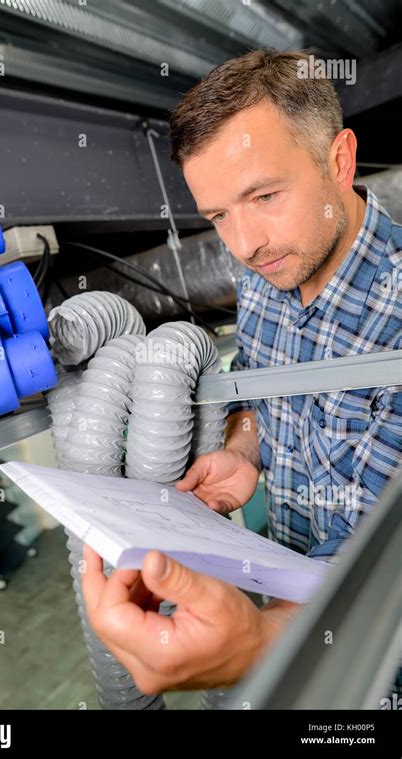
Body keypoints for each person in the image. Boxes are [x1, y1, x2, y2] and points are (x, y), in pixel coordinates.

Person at [82, 50, 401, 696]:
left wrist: (259, 643)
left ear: (339, 160)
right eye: (219, 216)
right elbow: (256, 378)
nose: (242, 244)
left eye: (263, 196)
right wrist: (244, 450)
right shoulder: (264, 278)